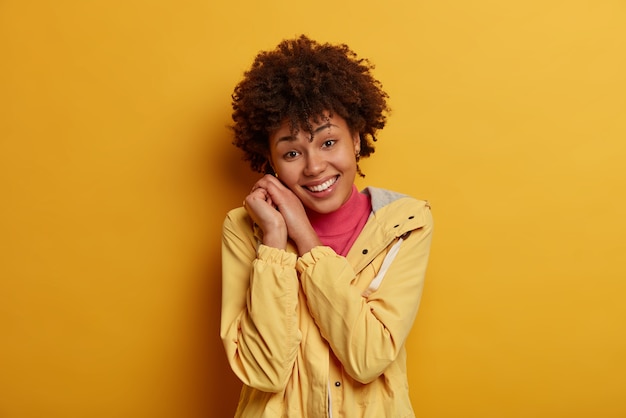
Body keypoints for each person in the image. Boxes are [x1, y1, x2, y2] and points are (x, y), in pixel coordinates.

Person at [220, 35, 433, 418]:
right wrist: (273, 243)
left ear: (355, 138)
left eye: (328, 142)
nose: (314, 166)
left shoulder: (405, 224)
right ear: (269, 160)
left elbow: (368, 358)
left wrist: (303, 236)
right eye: (291, 152)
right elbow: (263, 373)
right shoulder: (244, 229)